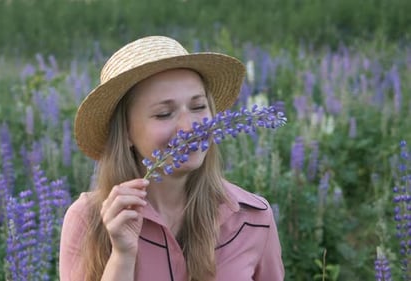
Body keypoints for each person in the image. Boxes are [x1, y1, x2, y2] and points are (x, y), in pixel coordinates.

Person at [59, 35, 284, 281]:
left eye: (199, 107)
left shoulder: (253, 218)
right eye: (164, 114)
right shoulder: (88, 221)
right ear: (125, 132)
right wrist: (122, 256)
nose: (189, 128)